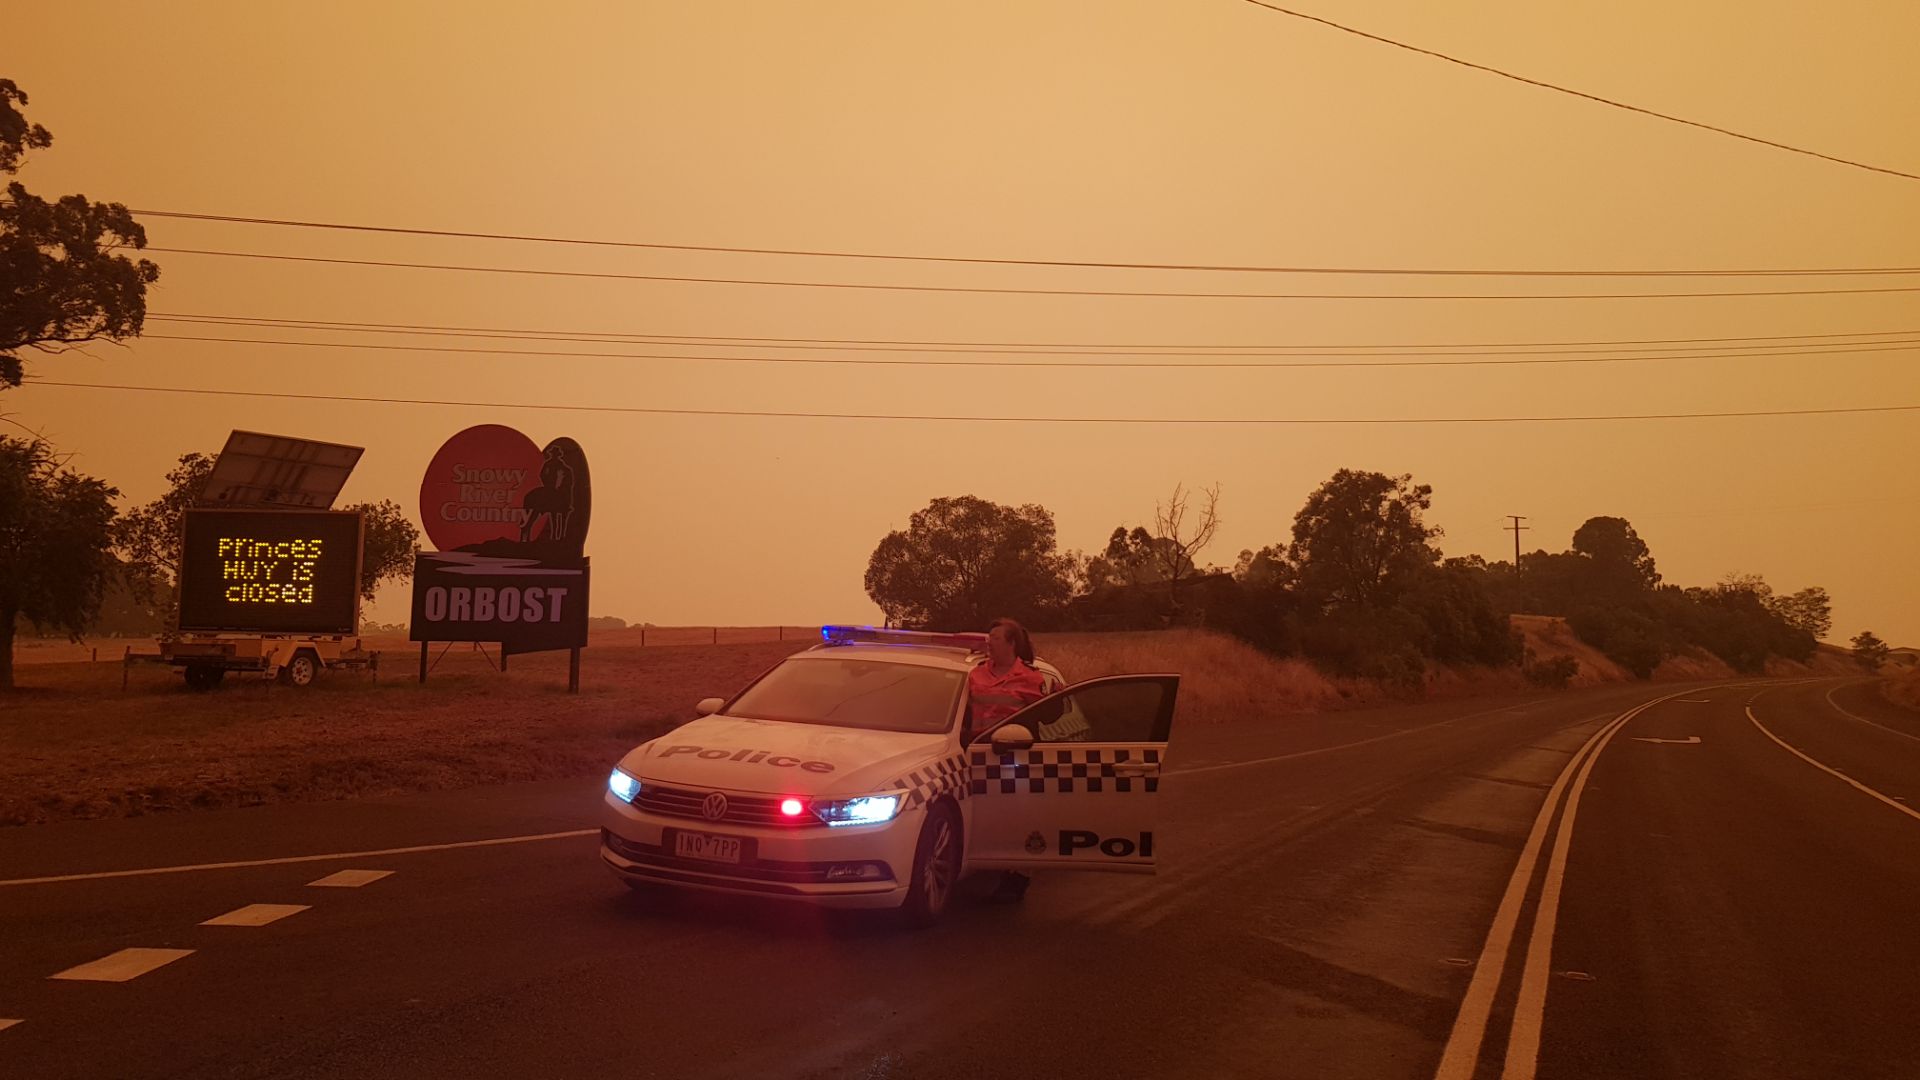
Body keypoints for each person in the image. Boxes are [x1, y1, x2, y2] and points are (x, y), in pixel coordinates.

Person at [966, 617, 1059, 903]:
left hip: (1017, 757)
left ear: (1011, 643)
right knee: (987, 816)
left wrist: (1057, 702)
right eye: (988, 637)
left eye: (994, 638)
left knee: (1018, 818)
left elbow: (1049, 718)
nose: (988, 642)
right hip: (979, 756)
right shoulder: (975, 674)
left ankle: (1019, 875)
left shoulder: (1032, 678)